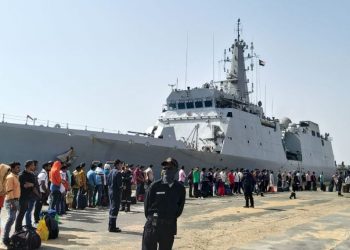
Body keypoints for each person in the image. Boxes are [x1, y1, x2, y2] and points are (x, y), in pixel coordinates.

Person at [142, 157, 186, 250]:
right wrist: (154, 219)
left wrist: (168, 216)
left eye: (169, 168)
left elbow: (179, 209)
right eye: (164, 168)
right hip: (153, 224)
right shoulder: (154, 186)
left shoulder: (180, 188)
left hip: (169, 226)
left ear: (176, 170)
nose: (166, 171)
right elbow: (147, 207)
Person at [15, 160, 37, 231]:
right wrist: (30, 184)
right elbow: (24, 185)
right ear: (29, 166)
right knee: (21, 214)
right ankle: (18, 229)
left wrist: (31, 184)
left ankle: (25, 227)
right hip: (22, 197)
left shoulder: (32, 174)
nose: (34, 166)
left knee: (27, 212)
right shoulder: (21, 175)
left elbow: (34, 185)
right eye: (33, 165)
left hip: (29, 197)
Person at [3, 162, 21, 247]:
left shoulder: (15, 177)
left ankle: (9, 236)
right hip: (11, 200)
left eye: (19, 167)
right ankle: (5, 238)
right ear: (12, 168)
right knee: (11, 219)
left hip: (16, 200)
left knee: (13, 219)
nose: (19, 169)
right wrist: (13, 203)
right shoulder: (10, 177)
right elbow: (9, 191)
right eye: (17, 167)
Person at [107, 160, 123, 232]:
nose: (121, 166)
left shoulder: (111, 171)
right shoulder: (118, 173)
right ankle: (112, 227)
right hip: (116, 193)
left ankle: (111, 225)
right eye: (120, 164)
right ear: (117, 165)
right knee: (115, 209)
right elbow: (120, 185)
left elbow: (108, 182)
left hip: (110, 192)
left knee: (111, 209)